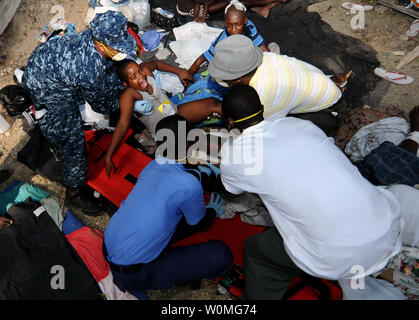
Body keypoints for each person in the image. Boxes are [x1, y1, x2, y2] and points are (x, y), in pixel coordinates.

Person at [219, 84, 402, 299]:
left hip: (338, 256)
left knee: (256, 250)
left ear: (229, 122)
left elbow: (232, 188)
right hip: (385, 228)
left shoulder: (235, 157)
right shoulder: (299, 125)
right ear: (261, 107)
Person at [103, 115, 233, 299]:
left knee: (173, 216)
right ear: (189, 142)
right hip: (134, 273)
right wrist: (211, 211)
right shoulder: (188, 183)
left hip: (109, 245)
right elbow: (198, 222)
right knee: (221, 254)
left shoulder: (151, 166)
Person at [22, 11, 138, 216]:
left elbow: (107, 71)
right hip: (45, 85)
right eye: (116, 46)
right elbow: (101, 104)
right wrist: (124, 102)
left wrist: (120, 91)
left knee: (109, 76)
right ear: (101, 44)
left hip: (46, 64)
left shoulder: (93, 39)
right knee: (71, 135)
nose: (121, 49)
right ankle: (74, 191)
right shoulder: (88, 69)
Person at [106, 59, 222, 176]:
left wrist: (179, 71)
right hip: (166, 133)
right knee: (194, 141)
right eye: (133, 76)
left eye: (139, 70)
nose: (141, 76)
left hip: (176, 113)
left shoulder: (145, 71)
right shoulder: (129, 95)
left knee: (213, 103)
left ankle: (236, 124)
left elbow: (156, 64)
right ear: (125, 83)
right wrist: (109, 155)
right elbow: (122, 124)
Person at [208, 34, 352, 121]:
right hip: (322, 81)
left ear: (238, 81)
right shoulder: (265, 57)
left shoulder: (264, 97)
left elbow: (258, 133)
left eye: (224, 78)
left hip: (329, 107)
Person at [188, 0, 269, 76]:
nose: (234, 30)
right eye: (229, 26)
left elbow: (263, 48)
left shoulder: (249, 27)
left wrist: (273, 62)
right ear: (225, 24)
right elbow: (203, 58)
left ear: (245, 21)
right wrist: (189, 73)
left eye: (238, 24)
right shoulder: (223, 40)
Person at [176, 0, 286, 21]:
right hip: (195, 9)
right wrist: (201, 18)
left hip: (198, 4)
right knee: (232, 1)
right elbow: (202, 4)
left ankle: (257, 8)